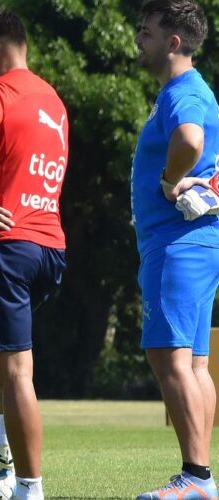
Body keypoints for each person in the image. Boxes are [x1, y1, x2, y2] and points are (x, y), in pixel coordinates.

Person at [0, 8, 69, 500]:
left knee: (16, 371)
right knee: (10, 363)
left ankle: (28, 487)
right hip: (50, 247)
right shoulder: (53, 98)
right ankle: (2, 442)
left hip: (4, 245)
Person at [131, 1, 219, 498]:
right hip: (200, 241)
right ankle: (202, 479)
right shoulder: (197, 89)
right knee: (196, 364)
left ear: (174, 42)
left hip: (178, 243)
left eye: (147, 32)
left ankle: (196, 478)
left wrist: (169, 180)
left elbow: (188, 138)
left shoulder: (182, 92)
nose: (139, 39)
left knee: (170, 359)